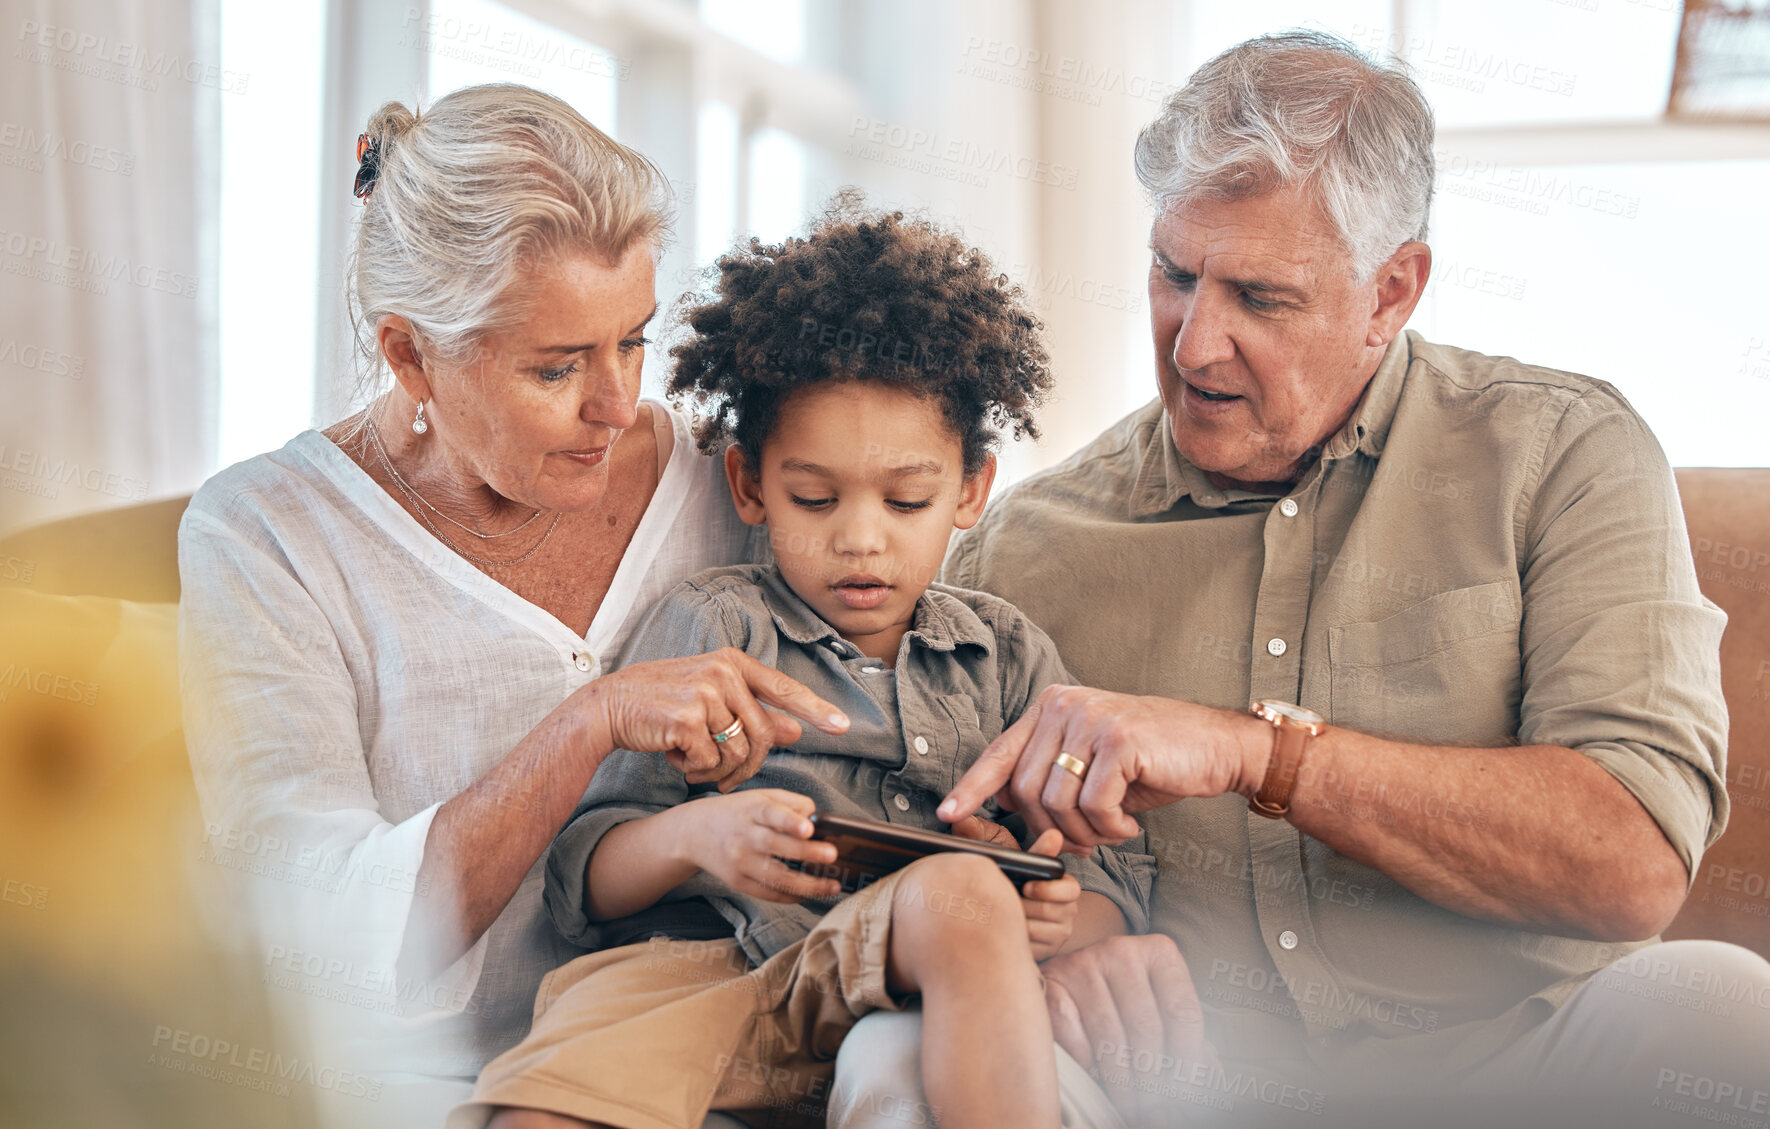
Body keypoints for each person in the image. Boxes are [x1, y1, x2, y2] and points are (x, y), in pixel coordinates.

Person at [832, 31, 1770, 1129]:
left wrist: (1258, 751)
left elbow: (1632, 861)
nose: (1194, 345)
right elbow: (906, 839)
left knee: (1726, 1009)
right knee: (896, 1057)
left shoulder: (1565, 456)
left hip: (1522, 1067)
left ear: (1392, 291)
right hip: (1174, 1089)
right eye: (1174, 274)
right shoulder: (1020, 549)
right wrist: (1047, 945)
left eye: (1261, 298)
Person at [178, 84, 850, 1127]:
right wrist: (591, 721)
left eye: (632, 341)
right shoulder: (268, 534)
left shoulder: (737, 481)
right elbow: (314, 942)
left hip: (722, 1054)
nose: (618, 406)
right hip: (425, 1092)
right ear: (410, 355)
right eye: (555, 367)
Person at [452, 203, 1154, 1129]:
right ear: (749, 484)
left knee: (969, 895)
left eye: (907, 501)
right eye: (814, 498)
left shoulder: (1008, 656)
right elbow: (585, 871)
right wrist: (700, 839)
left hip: (902, 992)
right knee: (536, 1111)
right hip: (700, 978)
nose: (860, 540)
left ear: (971, 491)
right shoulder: (715, 622)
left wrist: (1057, 913)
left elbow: (1114, 888)